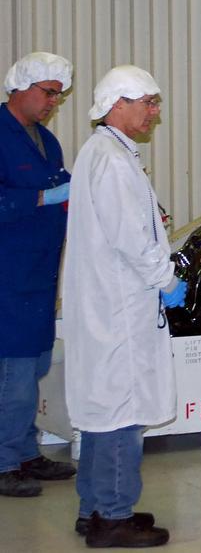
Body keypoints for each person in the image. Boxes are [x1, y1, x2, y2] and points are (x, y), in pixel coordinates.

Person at [63, 65, 187, 546]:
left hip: (109, 307)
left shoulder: (107, 153)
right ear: (118, 104)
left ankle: (93, 508)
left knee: (102, 411)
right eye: (147, 102)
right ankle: (112, 516)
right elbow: (133, 240)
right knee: (121, 413)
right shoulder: (112, 162)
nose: (155, 112)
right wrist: (166, 279)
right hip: (120, 311)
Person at [0, 52, 76, 498]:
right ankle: (7, 461)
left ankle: (26, 453)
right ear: (20, 87)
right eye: (48, 93)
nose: (53, 102)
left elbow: (62, 190)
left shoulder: (46, 140)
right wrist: (41, 201)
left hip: (41, 274)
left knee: (35, 368)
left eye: (58, 95)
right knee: (16, 371)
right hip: (9, 277)